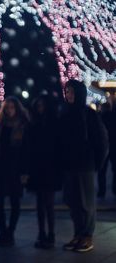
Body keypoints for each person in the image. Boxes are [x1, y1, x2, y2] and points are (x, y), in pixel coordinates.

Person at [59, 80, 108, 253]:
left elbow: (101, 141)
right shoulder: (64, 113)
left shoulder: (89, 114)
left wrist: (97, 164)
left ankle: (87, 236)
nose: (69, 95)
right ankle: (78, 234)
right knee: (73, 202)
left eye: (72, 92)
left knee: (86, 203)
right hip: (69, 166)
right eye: (67, 92)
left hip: (85, 166)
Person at [0, 96, 29, 247]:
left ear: (17, 108)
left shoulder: (22, 125)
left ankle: (10, 233)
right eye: (7, 107)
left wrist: (25, 172)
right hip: (0, 168)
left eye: (12, 107)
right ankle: (3, 232)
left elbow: (26, 151)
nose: (9, 110)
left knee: (15, 202)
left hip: (15, 169)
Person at [23, 95, 61, 249]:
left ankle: (50, 234)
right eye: (38, 105)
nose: (40, 108)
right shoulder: (33, 124)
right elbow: (29, 147)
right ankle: (42, 233)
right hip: (38, 168)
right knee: (40, 203)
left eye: (42, 105)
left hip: (49, 167)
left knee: (49, 204)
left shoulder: (52, 123)